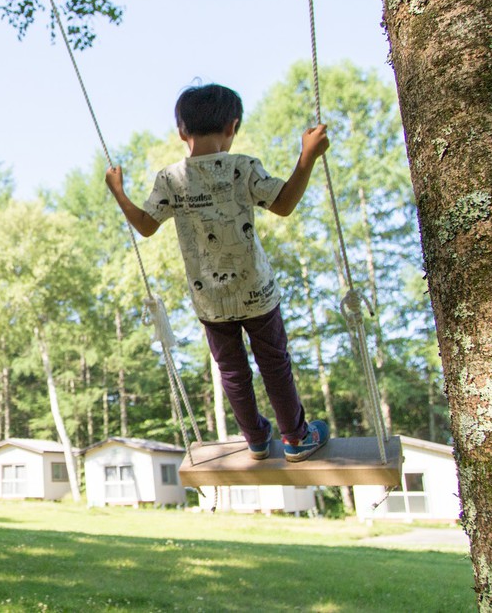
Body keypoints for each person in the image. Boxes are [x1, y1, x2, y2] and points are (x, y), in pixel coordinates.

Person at [104, 83, 331, 462]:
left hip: (209, 298)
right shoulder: (243, 167)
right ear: (233, 127)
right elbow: (285, 202)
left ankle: (256, 440)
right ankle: (295, 437)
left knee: (232, 370)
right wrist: (306, 156)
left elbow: (145, 225)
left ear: (182, 132)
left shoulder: (169, 179)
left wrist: (118, 192)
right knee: (274, 363)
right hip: (256, 291)